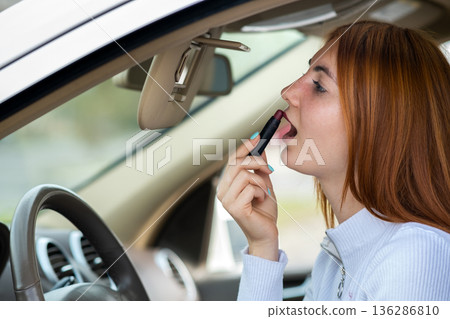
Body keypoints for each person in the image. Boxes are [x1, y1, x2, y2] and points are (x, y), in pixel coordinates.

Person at [216, 20, 450, 301]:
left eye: (318, 85)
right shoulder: (334, 258)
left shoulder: (415, 255)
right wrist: (262, 245)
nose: (288, 92)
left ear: (379, 124)